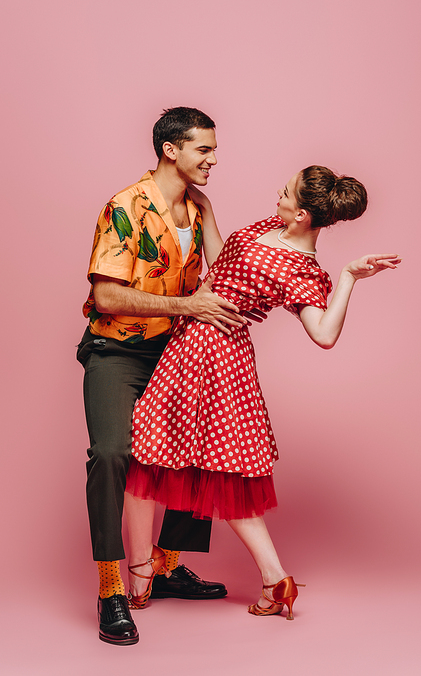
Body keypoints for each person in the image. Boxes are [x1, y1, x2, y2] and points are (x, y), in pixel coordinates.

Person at [123, 165, 401, 620]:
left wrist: (348, 277)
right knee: (217, 471)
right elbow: (224, 264)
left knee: (147, 457)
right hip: (200, 346)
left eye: (287, 192)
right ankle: (275, 581)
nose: (279, 192)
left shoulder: (303, 270)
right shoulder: (267, 227)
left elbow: (324, 334)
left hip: (210, 353)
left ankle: (139, 577)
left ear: (303, 216)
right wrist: (207, 210)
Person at [77, 107, 264, 646]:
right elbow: (106, 295)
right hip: (120, 349)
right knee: (113, 453)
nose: (212, 159)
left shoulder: (196, 203)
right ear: (170, 150)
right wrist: (188, 305)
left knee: (199, 444)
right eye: (203, 149)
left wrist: (216, 221)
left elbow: (224, 274)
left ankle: (165, 566)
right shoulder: (125, 207)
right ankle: (112, 588)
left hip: (177, 349)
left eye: (212, 149)